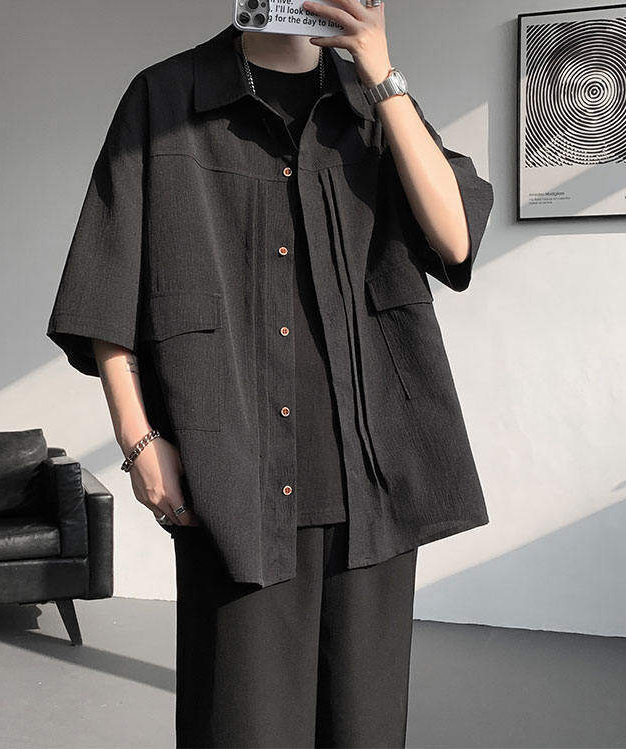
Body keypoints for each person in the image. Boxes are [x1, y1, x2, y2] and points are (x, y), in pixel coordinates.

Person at [46, 1, 494, 746]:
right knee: (240, 726)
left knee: (364, 728)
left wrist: (380, 70)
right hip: (230, 479)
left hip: (372, 480)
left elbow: (453, 238)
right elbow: (108, 278)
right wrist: (138, 441)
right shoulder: (167, 97)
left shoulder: (373, 103)